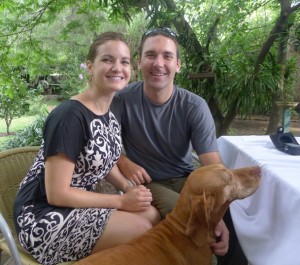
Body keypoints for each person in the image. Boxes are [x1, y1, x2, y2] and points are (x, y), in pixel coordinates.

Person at [13, 31, 160, 265]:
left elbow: (104, 158)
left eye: (124, 61)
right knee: (141, 227)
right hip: (43, 216)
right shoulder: (70, 117)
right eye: (107, 60)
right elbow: (57, 193)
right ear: (90, 66)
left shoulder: (113, 109)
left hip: (81, 204)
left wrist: (127, 187)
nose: (117, 67)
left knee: (152, 215)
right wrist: (121, 201)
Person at [111, 27, 246, 264]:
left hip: (187, 178)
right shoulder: (121, 100)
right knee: (192, 222)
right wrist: (124, 161)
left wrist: (218, 214)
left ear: (178, 64)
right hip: (149, 182)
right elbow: (103, 145)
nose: (158, 63)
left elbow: (212, 167)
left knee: (238, 219)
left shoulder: (194, 106)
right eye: (151, 55)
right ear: (139, 62)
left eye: (167, 56)